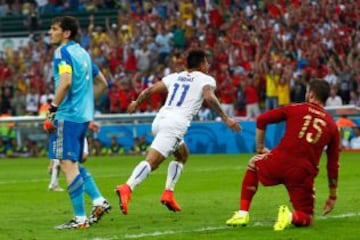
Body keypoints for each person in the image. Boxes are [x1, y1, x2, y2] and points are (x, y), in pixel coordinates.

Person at [115, 49, 241, 215]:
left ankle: (168, 194)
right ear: (202, 64)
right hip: (174, 125)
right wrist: (226, 118)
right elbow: (209, 97)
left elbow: (150, 90)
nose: (208, 65)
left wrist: (136, 103)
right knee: (153, 162)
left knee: (182, 155)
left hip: (160, 120)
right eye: (207, 62)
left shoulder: (175, 76)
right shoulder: (206, 79)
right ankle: (128, 187)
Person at [225, 79, 340, 231]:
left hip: (279, 161)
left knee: (254, 163)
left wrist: (260, 147)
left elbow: (262, 119)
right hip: (302, 174)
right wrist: (332, 196)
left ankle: (242, 212)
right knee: (307, 217)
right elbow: (332, 165)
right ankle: (290, 216)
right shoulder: (332, 126)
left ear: (310, 94)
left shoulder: (296, 108)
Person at [45, 16, 109, 230]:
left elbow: (65, 82)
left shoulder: (61, 52)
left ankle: (80, 219)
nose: (50, 32)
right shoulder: (83, 53)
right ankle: (99, 201)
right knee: (73, 163)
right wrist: (87, 104)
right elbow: (103, 83)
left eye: (54, 29)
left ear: (66, 33)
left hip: (67, 115)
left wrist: (52, 109)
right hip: (82, 116)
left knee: (65, 163)